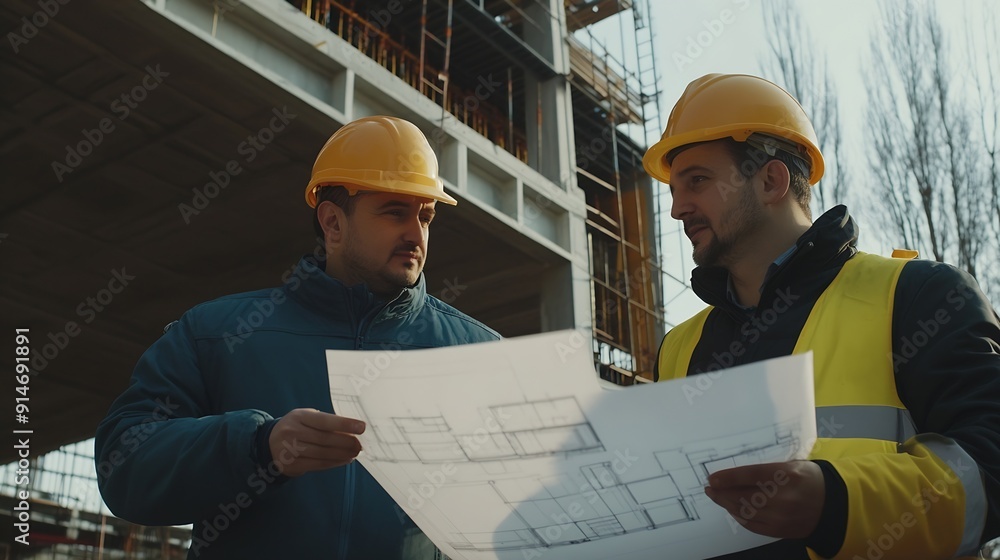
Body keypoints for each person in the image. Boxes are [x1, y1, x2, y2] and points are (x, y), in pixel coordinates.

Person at [95, 115, 499, 559]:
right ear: (333, 223)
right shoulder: (214, 335)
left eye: (425, 216)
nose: (415, 233)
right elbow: (124, 466)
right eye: (394, 212)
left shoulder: (481, 355)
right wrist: (256, 447)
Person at [642, 73, 1000, 559]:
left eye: (698, 181)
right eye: (675, 189)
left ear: (771, 180)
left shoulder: (919, 295)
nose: (677, 208)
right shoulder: (677, 349)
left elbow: (990, 467)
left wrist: (837, 502)